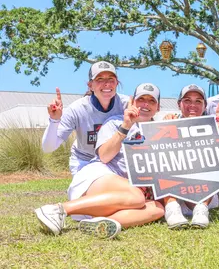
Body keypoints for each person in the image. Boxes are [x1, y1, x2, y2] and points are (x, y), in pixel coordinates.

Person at [35, 83, 165, 239]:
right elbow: (104, 156)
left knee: (158, 209)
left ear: (158, 107)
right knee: (137, 196)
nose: (145, 104)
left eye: (152, 101)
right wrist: (126, 126)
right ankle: (58, 210)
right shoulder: (115, 122)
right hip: (98, 178)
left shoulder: (162, 131)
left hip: (117, 199)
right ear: (132, 102)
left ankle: (100, 223)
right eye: (141, 99)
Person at [42, 61, 129, 175]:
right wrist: (54, 120)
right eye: (100, 79)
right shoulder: (77, 109)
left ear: (117, 83)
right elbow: (48, 147)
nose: (107, 84)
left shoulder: (127, 105)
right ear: (90, 85)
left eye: (111, 79)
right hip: (85, 161)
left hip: (115, 160)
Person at [162, 84, 219, 229]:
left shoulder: (212, 125)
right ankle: (172, 209)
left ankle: (201, 210)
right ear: (179, 104)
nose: (193, 105)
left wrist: (218, 131)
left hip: (203, 195)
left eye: (198, 101)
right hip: (173, 194)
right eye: (187, 100)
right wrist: (166, 130)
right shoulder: (168, 122)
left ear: (205, 106)